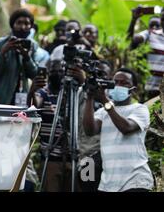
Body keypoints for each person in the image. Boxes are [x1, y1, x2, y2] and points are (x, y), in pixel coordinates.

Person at [83, 68, 154, 192]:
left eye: (124, 83)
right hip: (108, 184)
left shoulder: (139, 109)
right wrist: (90, 97)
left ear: (134, 89)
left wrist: (105, 101)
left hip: (135, 181)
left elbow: (126, 128)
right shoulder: (102, 112)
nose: (118, 86)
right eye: (115, 82)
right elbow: (90, 130)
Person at [28, 59, 85, 191]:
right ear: (48, 73)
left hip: (73, 157)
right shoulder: (43, 92)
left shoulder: (72, 92)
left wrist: (83, 81)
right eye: (53, 71)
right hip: (51, 158)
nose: (57, 74)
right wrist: (32, 91)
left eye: (60, 71)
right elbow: (35, 105)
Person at [0, 8, 38, 105]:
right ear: (12, 25)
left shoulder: (32, 46)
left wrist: (26, 57)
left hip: (20, 100)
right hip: (0, 99)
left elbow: (33, 74)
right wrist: (3, 52)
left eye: (27, 24)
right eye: (19, 23)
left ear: (31, 27)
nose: (22, 27)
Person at [78, 60, 113, 192]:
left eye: (103, 74)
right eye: (96, 74)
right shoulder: (81, 93)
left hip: (109, 159)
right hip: (87, 157)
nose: (99, 77)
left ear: (110, 77)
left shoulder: (116, 98)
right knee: (87, 188)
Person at [129, 8, 164, 98]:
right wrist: (134, 20)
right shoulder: (150, 33)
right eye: (163, 18)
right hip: (152, 90)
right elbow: (131, 40)